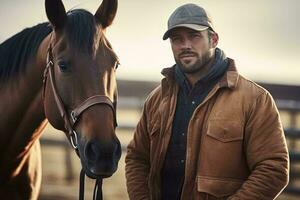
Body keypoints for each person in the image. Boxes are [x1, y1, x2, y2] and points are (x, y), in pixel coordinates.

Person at [125, 3, 289, 200]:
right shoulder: (157, 99)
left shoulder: (254, 99)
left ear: (213, 40)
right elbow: (137, 158)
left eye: (194, 36)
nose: (186, 45)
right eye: (177, 39)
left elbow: (273, 169)